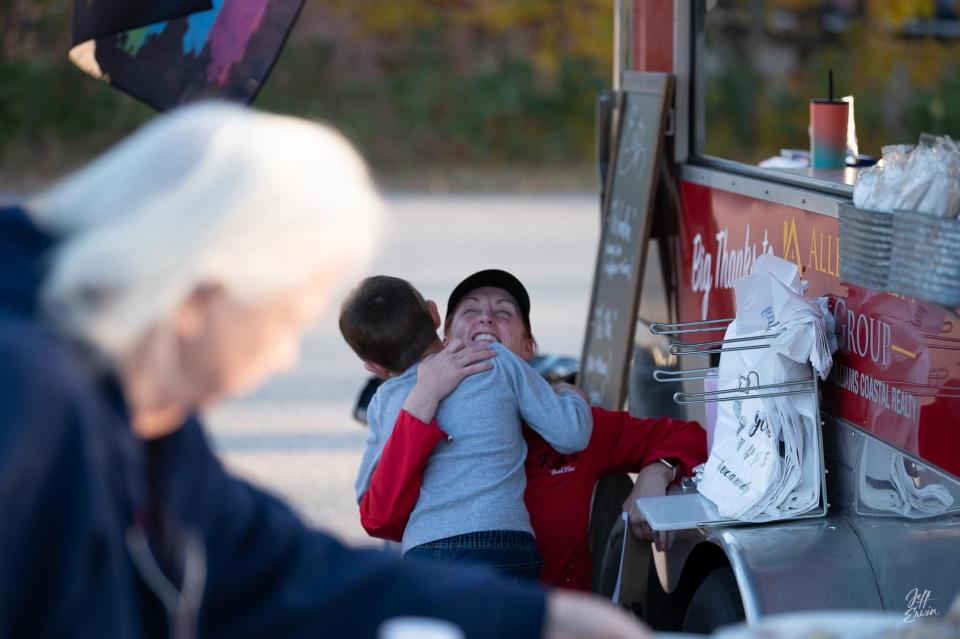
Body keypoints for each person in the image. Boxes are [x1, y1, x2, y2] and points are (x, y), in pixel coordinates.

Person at [0, 103, 652, 639]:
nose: (283, 354)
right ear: (203, 295)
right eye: (283, 320)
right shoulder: (28, 399)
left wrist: (544, 615)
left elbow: (281, 565)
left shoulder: (151, 423)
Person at [358, 269, 708, 590]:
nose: (486, 317)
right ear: (444, 338)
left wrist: (657, 472)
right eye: (470, 311)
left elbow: (691, 435)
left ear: (527, 349)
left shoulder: (576, 421)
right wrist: (422, 399)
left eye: (504, 313)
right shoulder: (406, 411)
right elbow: (378, 517)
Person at [341, 275, 592, 580]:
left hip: (424, 553)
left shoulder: (384, 400)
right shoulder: (495, 360)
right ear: (434, 314)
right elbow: (572, 434)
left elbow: (367, 495)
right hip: (503, 544)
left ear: (374, 367)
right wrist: (569, 394)